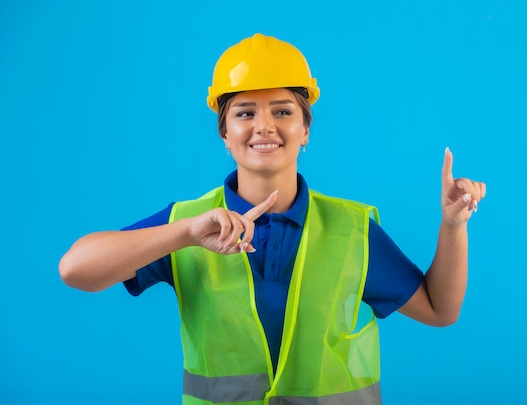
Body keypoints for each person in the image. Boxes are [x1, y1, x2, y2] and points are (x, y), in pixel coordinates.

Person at [59, 33, 486, 405]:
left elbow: (439, 309)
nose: (264, 126)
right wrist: (184, 234)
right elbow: (76, 269)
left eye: (282, 111)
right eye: (245, 112)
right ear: (225, 134)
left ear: (306, 130)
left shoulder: (351, 229)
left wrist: (453, 226)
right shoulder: (188, 222)